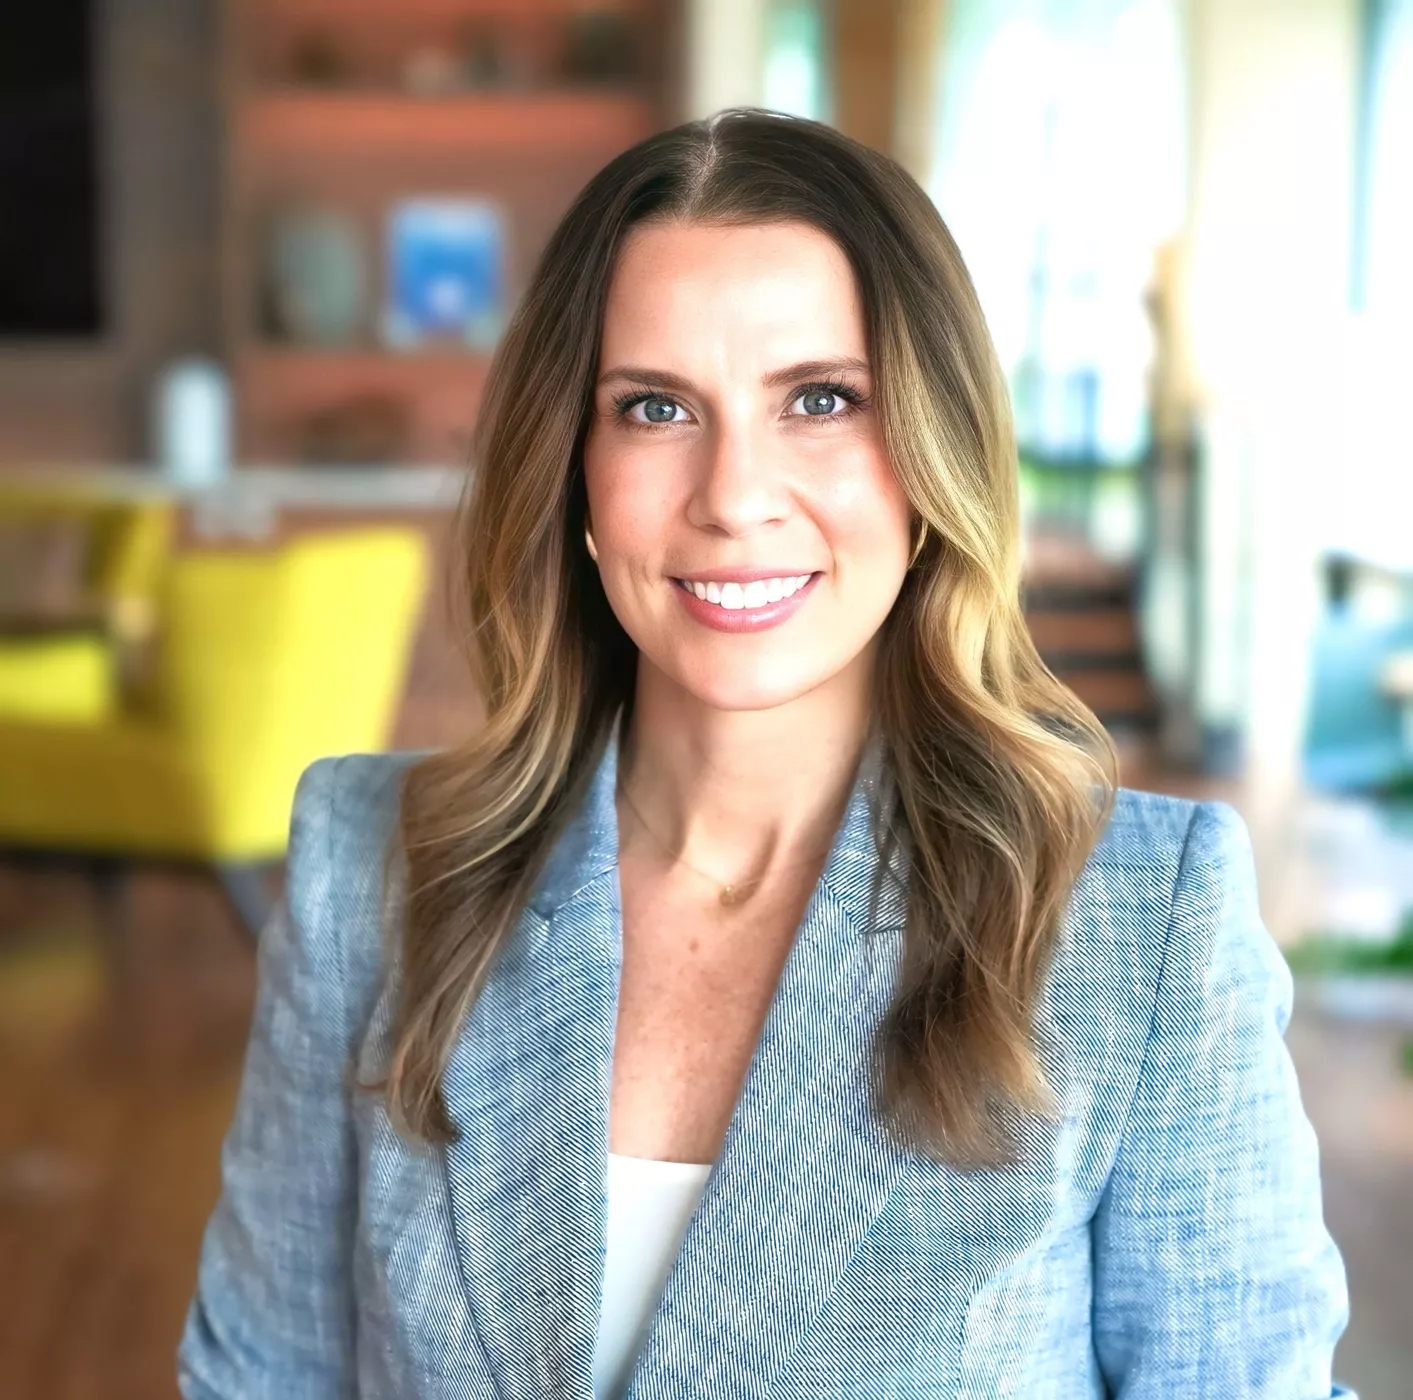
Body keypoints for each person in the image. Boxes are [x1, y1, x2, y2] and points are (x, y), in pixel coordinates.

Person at [176, 108, 1354, 1400]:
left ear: (929, 460)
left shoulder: (1143, 927)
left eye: (820, 400)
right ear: (575, 474)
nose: (734, 495)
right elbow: (263, 1379)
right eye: (657, 407)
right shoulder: (373, 874)